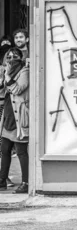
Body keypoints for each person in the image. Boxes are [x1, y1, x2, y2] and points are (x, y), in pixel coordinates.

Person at [0, 48, 29, 193]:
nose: (11, 59)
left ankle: (26, 182)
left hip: (19, 115)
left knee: (21, 150)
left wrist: (7, 78)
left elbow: (18, 89)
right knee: (5, 149)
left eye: (15, 56)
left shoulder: (24, 71)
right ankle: (2, 179)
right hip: (8, 114)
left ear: (20, 57)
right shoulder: (7, 72)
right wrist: (3, 77)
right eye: (9, 57)